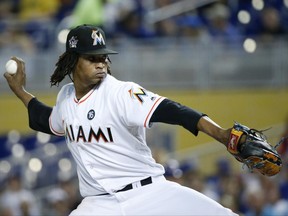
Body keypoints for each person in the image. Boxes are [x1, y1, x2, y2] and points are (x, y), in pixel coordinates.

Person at [4, 24, 238, 215]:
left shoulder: (121, 92)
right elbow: (46, 120)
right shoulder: (65, 98)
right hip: (99, 205)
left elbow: (174, 111)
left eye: (103, 57)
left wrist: (220, 134)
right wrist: (21, 92)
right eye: (92, 58)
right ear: (73, 61)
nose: (101, 64)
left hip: (150, 194)